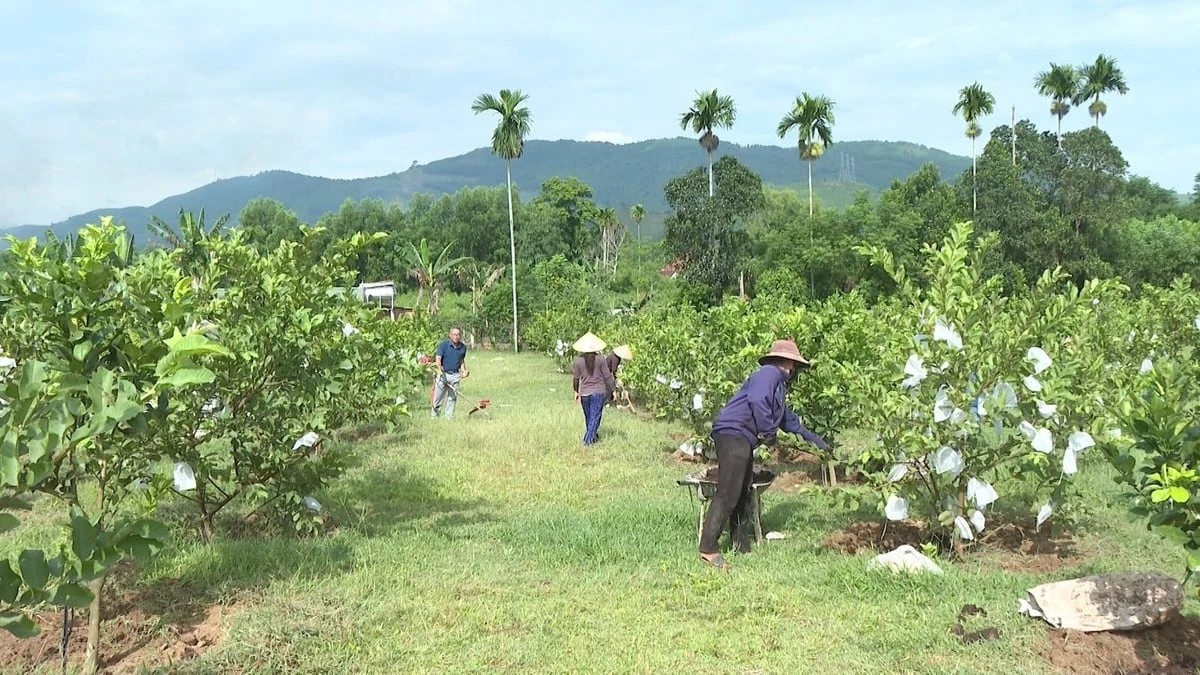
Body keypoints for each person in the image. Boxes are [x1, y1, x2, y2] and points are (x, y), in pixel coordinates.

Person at [699, 339, 831, 569]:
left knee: (743, 492)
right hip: (733, 433)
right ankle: (708, 548)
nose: (795, 372)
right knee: (729, 491)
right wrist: (768, 430)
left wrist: (819, 444)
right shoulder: (769, 373)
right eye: (795, 366)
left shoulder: (778, 389)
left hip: (743, 438)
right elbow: (757, 400)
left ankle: (741, 546)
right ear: (789, 363)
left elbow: (791, 424)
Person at [571, 331, 615, 446]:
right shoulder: (600, 359)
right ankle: (587, 441)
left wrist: (576, 391)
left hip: (585, 393)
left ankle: (593, 438)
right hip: (599, 392)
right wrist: (613, 390)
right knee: (595, 417)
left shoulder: (578, 361)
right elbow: (607, 376)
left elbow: (576, 379)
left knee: (589, 418)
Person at [431, 326, 469, 418]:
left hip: (455, 375)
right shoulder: (443, 345)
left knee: (452, 398)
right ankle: (434, 417)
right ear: (450, 335)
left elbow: (461, 361)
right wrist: (439, 371)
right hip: (443, 374)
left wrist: (464, 371)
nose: (456, 336)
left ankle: (449, 417)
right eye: (454, 334)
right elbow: (438, 360)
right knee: (438, 398)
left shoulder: (463, 347)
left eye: (458, 335)